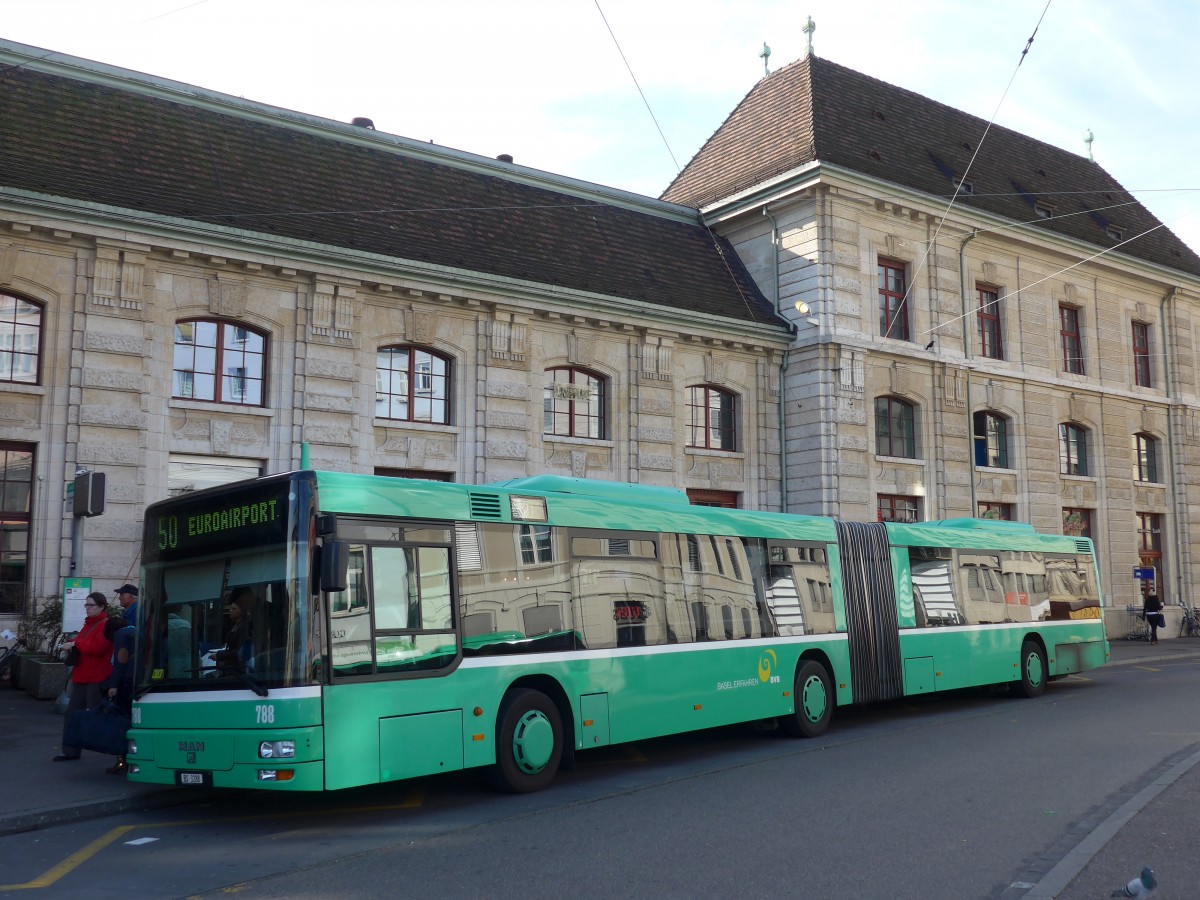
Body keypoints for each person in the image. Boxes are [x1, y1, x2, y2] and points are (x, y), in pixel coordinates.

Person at [53, 592, 114, 762]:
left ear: (101, 607)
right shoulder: (88, 624)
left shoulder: (105, 624)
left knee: (95, 715)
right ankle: (70, 750)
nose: (87, 608)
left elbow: (98, 648)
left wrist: (75, 643)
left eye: (91, 605)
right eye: (86, 605)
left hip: (96, 676)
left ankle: (114, 748)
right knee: (73, 714)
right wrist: (73, 645)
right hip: (82, 675)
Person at [101, 618, 136, 775]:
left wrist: (113, 685)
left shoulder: (121, 635)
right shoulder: (137, 631)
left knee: (120, 722)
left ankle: (122, 760)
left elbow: (121, 661)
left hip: (125, 682)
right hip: (137, 681)